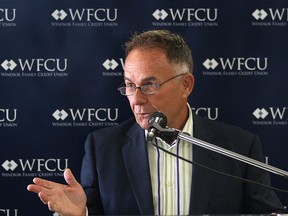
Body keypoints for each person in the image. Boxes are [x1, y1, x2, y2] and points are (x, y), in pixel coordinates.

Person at [27, 29, 286, 215]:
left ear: (186, 84)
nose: (136, 100)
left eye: (149, 85)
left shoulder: (238, 146)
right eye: (130, 85)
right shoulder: (102, 147)